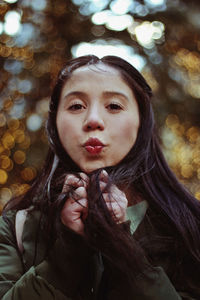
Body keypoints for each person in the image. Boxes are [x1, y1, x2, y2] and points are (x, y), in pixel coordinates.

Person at [0, 55, 200, 300]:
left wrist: (120, 245)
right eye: (76, 106)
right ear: (54, 123)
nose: (93, 120)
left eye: (114, 106)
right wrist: (68, 251)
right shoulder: (16, 227)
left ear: (142, 120)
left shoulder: (188, 226)